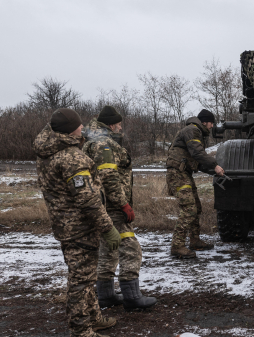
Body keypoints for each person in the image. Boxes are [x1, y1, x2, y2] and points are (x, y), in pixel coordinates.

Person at [33, 108, 120, 337]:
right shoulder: (71, 157)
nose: (83, 128)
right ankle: (81, 329)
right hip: (80, 228)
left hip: (65, 225)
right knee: (81, 281)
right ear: (70, 129)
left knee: (85, 276)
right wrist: (108, 228)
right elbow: (88, 199)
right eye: (79, 125)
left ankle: (93, 317)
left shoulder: (49, 151)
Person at [83, 106, 156, 310]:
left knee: (109, 248)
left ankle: (105, 296)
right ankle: (132, 298)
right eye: (119, 123)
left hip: (103, 204)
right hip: (113, 206)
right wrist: (123, 203)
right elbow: (108, 176)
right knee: (131, 249)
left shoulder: (94, 140)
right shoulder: (104, 144)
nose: (121, 127)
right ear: (111, 124)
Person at [166, 109, 224, 259]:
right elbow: (197, 153)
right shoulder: (192, 130)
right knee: (189, 209)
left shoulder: (196, 132)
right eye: (211, 122)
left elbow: (198, 162)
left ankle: (194, 240)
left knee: (196, 207)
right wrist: (215, 165)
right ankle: (177, 246)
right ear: (205, 122)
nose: (212, 126)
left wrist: (214, 170)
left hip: (184, 173)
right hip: (178, 174)